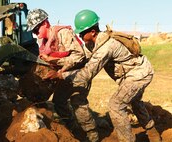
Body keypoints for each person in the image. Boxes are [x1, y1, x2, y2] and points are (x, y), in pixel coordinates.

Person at [44, 9, 162, 142]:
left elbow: (87, 73)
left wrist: (61, 76)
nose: (81, 37)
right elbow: (81, 60)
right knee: (135, 102)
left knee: (116, 105)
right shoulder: (93, 45)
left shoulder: (107, 47)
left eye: (82, 33)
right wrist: (56, 63)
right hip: (131, 76)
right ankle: (154, 135)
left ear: (93, 32)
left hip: (139, 74)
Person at [26, 9, 99, 141]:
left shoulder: (62, 33)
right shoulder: (44, 43)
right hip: (64, 75)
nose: (35, 34)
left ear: (45, 23)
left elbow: (79, 56)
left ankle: (92, 136)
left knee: (78, 103)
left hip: (79, 73)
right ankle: (74, 131)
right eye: (33, 31)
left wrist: (52, 60)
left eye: (36, 29)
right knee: (58, 102)